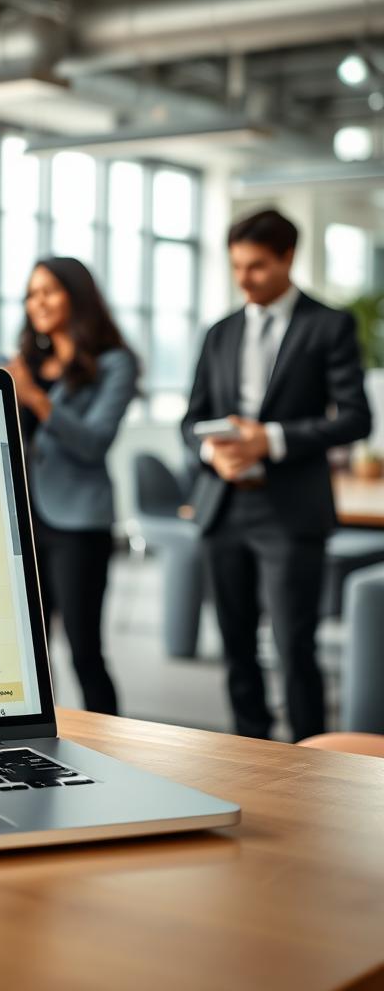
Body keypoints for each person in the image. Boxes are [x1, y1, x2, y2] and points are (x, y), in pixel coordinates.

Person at [181, 208, 371, 742]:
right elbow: (189, 421)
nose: (244, 279)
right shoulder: (219, 333)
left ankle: (312, 759)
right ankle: (249, 748)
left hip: (289, 509)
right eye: (237, 266)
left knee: (294, 646)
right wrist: (212, 455)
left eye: (258, 266)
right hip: (223, 505)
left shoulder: (328, 325)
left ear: (289, 257)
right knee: (236, 646)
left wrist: (273, 438)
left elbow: (356, 417)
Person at [7, 257, 138, 715]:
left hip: (79, 522)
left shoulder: (115, 363)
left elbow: (95, 442)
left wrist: (37, 400)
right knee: (30, 654)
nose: (36, 302)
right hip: (23, 518)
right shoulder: (27, 363)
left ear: (76, 296)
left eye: (48, 291)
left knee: (84, 651)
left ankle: (111, 748)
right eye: (31, 293)